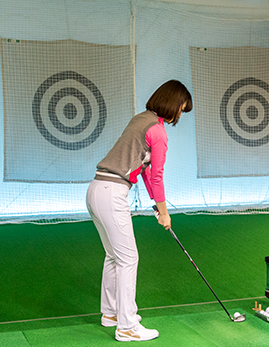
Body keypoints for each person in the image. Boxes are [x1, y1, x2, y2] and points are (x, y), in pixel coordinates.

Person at [86, 80, 192, 342]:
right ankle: (127, 326)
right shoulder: (158, 131)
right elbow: (156, 175)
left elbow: (143, 170)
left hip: (96, 189)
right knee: (128, 259)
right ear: (172, 101)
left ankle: (111, 314)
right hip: (112, 194)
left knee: (113, 256)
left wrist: (157, 205)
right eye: (181, 107)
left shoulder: (141, 119)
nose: (180, 113)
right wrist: (165, 213)